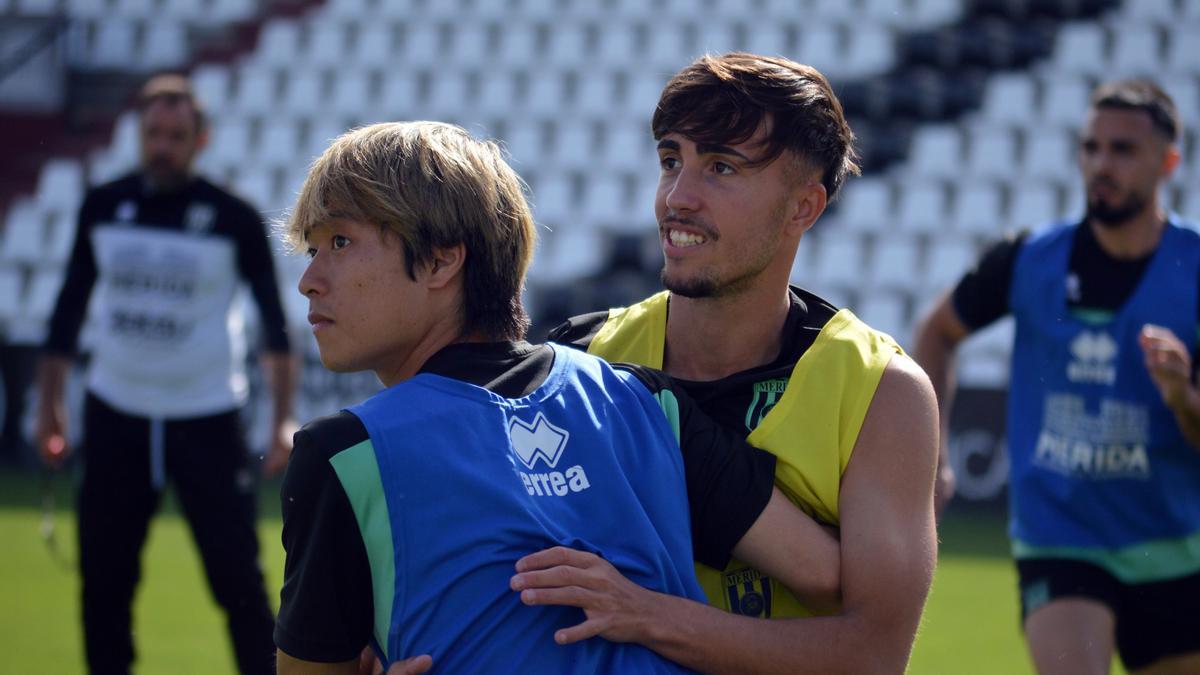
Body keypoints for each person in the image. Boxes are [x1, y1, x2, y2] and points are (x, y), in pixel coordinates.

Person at [275, 121, 843, 674]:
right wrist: (660, 615)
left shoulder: (345, 455)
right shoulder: (641, 400)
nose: (310, 280)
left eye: (340, 242)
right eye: (312, 250)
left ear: (443, 260)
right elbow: (823, 572)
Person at [540, 52, 939, 673]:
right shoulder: (581, 358)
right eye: (671, 161)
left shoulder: (881, 390)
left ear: (803, 208)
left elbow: (873, 655)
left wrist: (648, 615)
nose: (678, 198)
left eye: (721, 167)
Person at [913, 79, 1200, 674]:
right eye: (1090, 147)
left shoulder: (1193, 270)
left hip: (1172, 546)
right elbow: (936, 333)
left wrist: (1183, 397)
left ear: (1169, 161)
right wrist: (933, 454)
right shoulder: (1027, 258)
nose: (1101, 164)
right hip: (1059, 535)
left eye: (1122, 150)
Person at [35, 74, 295, 675]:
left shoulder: (233, 217)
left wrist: (282, 420)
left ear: (199, 140)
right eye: (153, 133)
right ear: (138, 134)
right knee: (104, 583)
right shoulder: (103, 205)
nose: (162, 146)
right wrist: (51, 403)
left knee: (238, 584)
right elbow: (68, 310)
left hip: (206, 416)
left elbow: (275, 327)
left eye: (176, 136)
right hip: (115, 413)